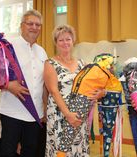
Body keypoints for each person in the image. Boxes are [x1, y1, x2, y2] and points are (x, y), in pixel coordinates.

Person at [43, 24, 105, 157]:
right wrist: (68, 114)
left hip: (78, 116)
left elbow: (96, 86)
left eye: (68, 39)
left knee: (77, 149)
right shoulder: (50, 63)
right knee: (60, 150)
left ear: (73, 41)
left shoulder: (83, 64)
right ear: (56, 43)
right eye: (61, 40)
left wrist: (101, 93)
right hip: (59, 115)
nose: (65, 43)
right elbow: (53, 91)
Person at [0, 9, 47, 157]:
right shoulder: (8, 46)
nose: (34, 27)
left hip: (35, 113)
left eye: (38, 25)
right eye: (30, 23)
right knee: (8, 152)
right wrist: (8, 85)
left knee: (30, 152)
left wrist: (44, 110)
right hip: (12, 111)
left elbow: (43, 84)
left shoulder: (42, 52)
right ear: (21, 26)